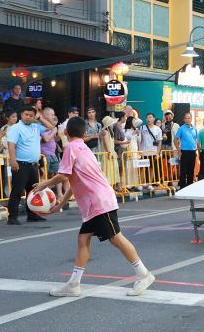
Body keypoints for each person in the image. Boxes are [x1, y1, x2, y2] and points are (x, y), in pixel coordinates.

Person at [32, 116, 154, 298]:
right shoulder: (83, 148)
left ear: (66, 132)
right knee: (83, 239)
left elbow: (64, 176)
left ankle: (144, 274)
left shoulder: (71, 148)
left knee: (116, 238)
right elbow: (74, 181)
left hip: (99, 202)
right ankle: (73, 284)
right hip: (95, 202)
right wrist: (60, 205)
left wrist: (44, 184)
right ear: (83, 133)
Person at [6, 105, 55, 225]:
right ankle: (12, 217)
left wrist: (40, 117)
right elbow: (11, 145)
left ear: (34, 117)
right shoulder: (16, 128)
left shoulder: (36, 126)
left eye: (31, 115)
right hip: (20, 164)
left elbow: (51, 127)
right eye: (26, 115)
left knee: (33, 191)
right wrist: (13, 161)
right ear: (21, 115)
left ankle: (32, 215)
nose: (28, 117)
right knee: (17, 191)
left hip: (33, 164)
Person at [40, 108, 61, 199]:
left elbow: (54, 139)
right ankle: (44, 195)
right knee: (44, 175)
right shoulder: (41, 126)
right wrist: (54, 131)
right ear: (44, 116)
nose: (53, 116)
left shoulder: (52, 127)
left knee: (58, 174)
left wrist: (59, 135)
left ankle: (59, 194)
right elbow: (46, 139)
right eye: (51, 114)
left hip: (53, 154)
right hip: (44, 154)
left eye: (53, 114)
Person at [173, 113, 198, 189]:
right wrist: (179, 150)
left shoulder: (195, 129)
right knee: (183, 169)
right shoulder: (181, 128)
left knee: (191, 169)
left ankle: (190, 185)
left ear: (191, 119)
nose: (187, 120)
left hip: (193, 151)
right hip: (184, 151)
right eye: (186, 118)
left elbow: (195, 140)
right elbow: (175, 140)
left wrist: (196, 150)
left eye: (189, 118)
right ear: (184, 119)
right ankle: (182, 186)